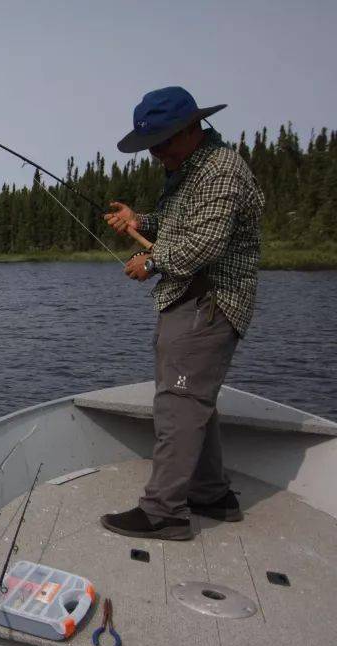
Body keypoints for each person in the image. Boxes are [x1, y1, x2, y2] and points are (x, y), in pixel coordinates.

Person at [101, 86, 265, 541]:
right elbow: (180, 225)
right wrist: (140, 221)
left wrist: (149, 261)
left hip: (209, 300)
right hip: (189, 297)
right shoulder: (191, 166)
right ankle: (211, 494)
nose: (155, 153)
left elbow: (206, 243)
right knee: (194, 400)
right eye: (150, 144)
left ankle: (164, 513)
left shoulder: (221, 170)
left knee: (178, 403)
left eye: (162, 142)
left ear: (193, 128)